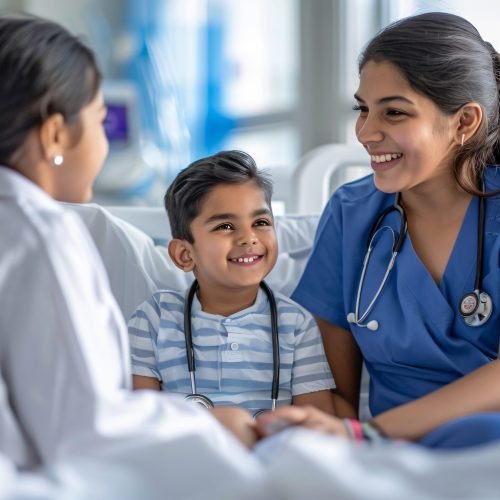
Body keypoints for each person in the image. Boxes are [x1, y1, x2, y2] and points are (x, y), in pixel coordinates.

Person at [0, 15, 264, 471]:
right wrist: (211, 425)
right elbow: (88, 431)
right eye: (101, 120)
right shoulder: (38, 230)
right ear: (56, 135)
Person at [256, 12, 500, 449]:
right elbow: (332, 393)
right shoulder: (351, 214)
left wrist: (371, 433)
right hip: (385, 454)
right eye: (362, 109)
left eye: (394, 112)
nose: (366, 133)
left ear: (464, 122)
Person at [128, 150, 336, 416]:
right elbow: (142, 420)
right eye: (225, 226)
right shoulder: (154, 319)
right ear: (185, 254)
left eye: (260, 222)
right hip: (184, 452)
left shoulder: (296, 324)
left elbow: (316, 425)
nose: (248, 238)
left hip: (270, 453)